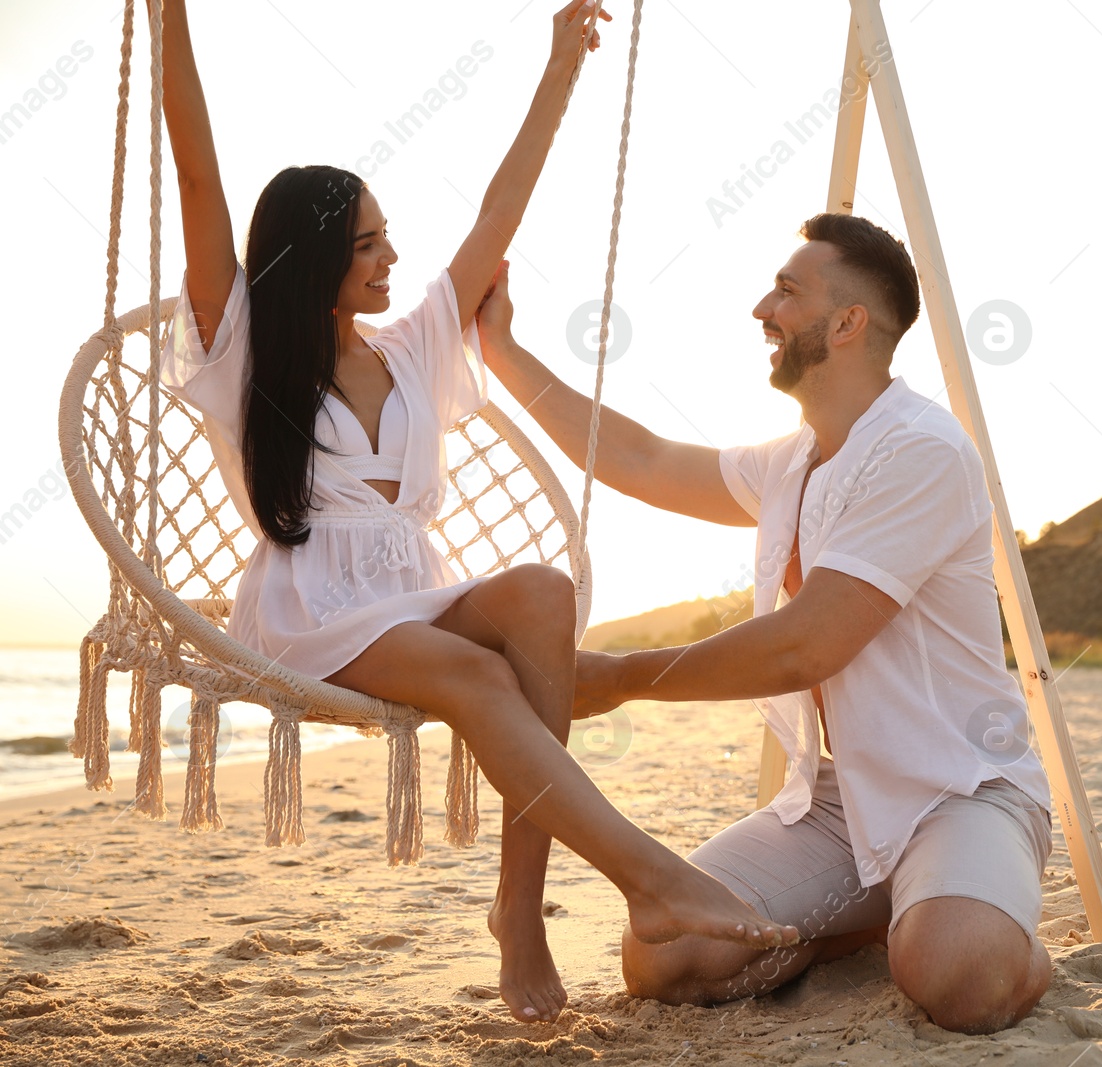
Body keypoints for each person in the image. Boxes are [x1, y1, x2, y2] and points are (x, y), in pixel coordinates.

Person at [151, 0, 799, 1028]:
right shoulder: (245, 349)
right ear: (313, 261)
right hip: (313, 610)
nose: (389, 255)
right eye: (366, 243)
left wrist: (560, 66)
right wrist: (168, 22)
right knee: (471, 671)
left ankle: (517, 904)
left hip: (410, 589)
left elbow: (505, 206)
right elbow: (194, 175)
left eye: (387, 234)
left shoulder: (411, 347)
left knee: (544, 590)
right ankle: (649, 876)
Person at [474, 212, 1057, 1034]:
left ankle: (973, 921)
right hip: (836, 801)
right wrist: (501, 350)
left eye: (787, 291)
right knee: (664, 956)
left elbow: (804, 643)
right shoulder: (792, 460)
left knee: (958, 976)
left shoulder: (922, 450)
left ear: (848, 323)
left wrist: (622, 676)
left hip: (959, 789)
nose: (762, 308)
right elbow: (636, 458)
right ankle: (866, 923)